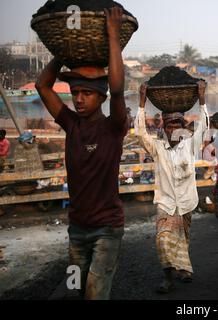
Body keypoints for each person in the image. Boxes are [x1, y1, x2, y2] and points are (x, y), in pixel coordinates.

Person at [34, 7, 128, 300]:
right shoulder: (71, 124)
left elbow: (118, 88)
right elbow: (42, 85)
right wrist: (63, 50)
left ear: (101, 96)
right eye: (75, 92)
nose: (78, 99)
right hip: (77, 230)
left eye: (86, 93)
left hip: (106, 230)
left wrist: (112, 35)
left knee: (94, 292)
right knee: (75, 288)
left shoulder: (114, 126)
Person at [134, 80, 208, 294]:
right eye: (169, 126)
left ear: (184, 129)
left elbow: (204, 126)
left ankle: (184, 269)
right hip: (165, 203)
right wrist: (141, 101)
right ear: (163, 129)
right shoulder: (157, 148)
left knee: (182, 238)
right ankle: (167, 278)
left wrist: (201, 98)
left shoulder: (190, 145)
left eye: (178, 125)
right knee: (164, 240)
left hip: (186, 202)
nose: (174, 129)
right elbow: (139, 133)